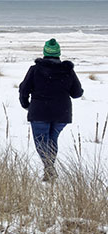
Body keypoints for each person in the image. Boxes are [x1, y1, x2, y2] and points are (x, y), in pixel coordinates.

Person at [19, 39, 84, 181]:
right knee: (52, 140)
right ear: (58, 54)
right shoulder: (68, 71)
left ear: (45, 53)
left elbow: (24, 90)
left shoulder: (35, 70)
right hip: (62, 113)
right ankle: (49, 169)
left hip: (39, 113)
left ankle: (49, 169)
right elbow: (77, 93)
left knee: (42, 142)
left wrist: (25, 105)